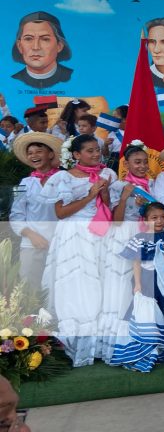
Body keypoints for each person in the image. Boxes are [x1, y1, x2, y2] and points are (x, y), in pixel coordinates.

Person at [40, 134, 117, 367]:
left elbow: (110, 208)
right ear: (76, 155)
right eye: (90, 151)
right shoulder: (63, 177)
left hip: (101, 234)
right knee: (78, 287)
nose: (96, 154)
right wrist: (90, 195)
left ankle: (102, 344)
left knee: (102, 284)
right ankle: (79, 345)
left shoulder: (108, 174)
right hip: (75, 235)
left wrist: (103, 194)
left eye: (97, 150)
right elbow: (61, 213)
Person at [99, 142, 154, 362]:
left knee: (147, 286)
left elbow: (158, 213)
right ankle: (122, 341)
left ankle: (146, 337)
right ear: (127, 164)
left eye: (144, 162)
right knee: (123, 287)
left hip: (147, 235)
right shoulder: (120, 185)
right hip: (125, 235)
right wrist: (125, 198)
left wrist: (145, 207)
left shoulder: (153, 183)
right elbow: (116, 220)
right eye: (137, 162)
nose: (141, 166)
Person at [110, 202, 164, 372]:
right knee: (146, 312)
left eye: (163, 217)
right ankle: (147, 350)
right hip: (146, 278)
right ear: (145, 219)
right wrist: (138, 284)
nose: (159, 221)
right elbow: (136, 262)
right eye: (154, 218)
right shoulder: (140, 238)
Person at [9, 133, 61, 293]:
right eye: (30, 153)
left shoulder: (63, 179)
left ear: (51, 153)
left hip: (59, 244)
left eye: (39, 151)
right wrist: (32, 236)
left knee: (56, 288)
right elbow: (16, 215)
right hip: (32, 245)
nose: (34, 156)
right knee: (29, 290)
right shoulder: (24, 183)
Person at [12, 11, 72, 88]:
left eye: (45, 39)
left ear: (59, 46)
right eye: (28, 39)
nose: (36, 47)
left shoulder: (74, 77)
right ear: (19, 46)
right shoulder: (12, 80)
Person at [104, 105, 128, 171]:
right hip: (114, 164)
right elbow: (106, 155)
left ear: (125, 119)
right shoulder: (112, 133)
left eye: (115, 117)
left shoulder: (135, 133)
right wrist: (105, 145)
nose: (112, 119)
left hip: (131, 164)